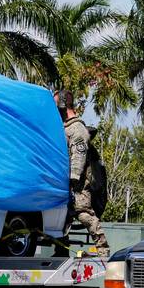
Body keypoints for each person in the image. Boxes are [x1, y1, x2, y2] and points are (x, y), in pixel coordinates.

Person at [55, 89, 110, 256]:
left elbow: (78, 157)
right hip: (66, 182)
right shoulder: (64, 127)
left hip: (77, 183)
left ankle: (103, 248)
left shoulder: (77, 129)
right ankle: (61, 251)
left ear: (63, 105)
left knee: (83, 213)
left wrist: (73, 180)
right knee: (62, 217)